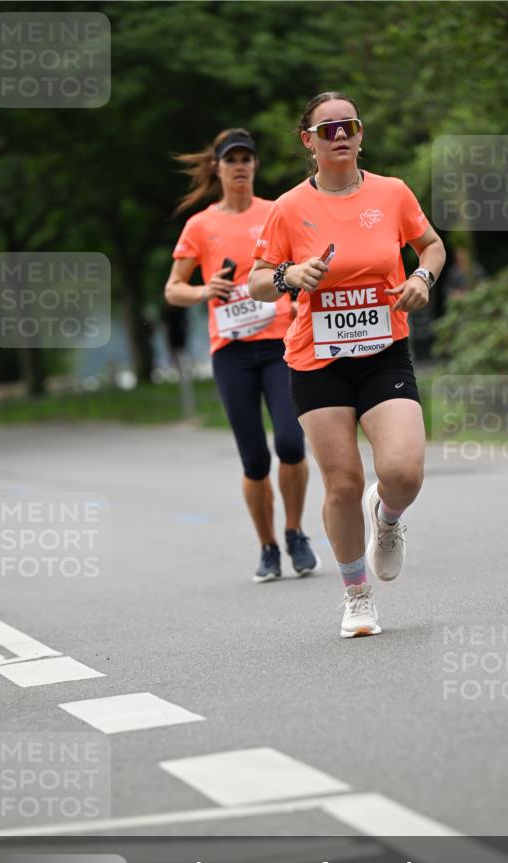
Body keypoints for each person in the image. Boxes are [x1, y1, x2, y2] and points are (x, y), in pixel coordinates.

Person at [249, 92, 445, 636]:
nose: (340, 135)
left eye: (349, 126)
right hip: (318, 361)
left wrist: (421, 279)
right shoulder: (288, 208)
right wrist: (291, 275)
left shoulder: (393, 192)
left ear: (360, 135)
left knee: (403, 472)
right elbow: (257, 280)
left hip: (385, 351)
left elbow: (431, 246)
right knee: (340, 483)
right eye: (327, 128)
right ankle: (357, 596)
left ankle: (387, 518)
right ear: (307, 141)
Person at [165, 128, 319, 582]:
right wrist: (201, 290)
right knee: (254, 459)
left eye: (246, 159)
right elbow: (172, 289)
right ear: (217, 168)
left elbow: (304, 262)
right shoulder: (201, 225)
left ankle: (294, 532)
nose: (239, 167)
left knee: (290, 444)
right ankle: (268, 547)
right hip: (231, 352)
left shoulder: (276, 213)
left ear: (254, 166)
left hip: (279, 344)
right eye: (231, 160)